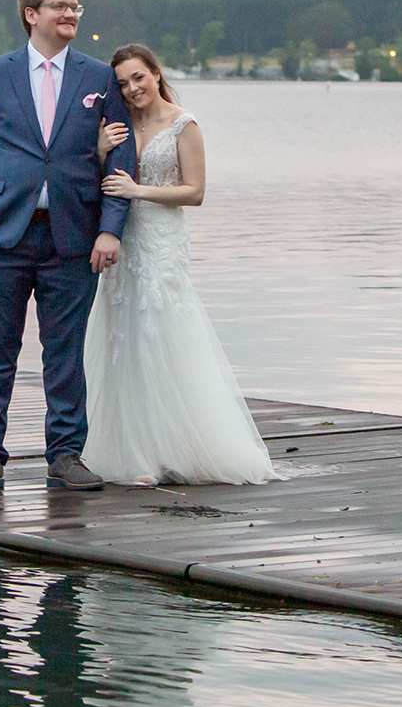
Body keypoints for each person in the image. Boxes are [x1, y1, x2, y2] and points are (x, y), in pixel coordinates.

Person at [0, 0, 139, 493]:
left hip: (73, 239)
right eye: (60, 6)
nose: (71, 14)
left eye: (76, 7)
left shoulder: (99, 79)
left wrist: (111, 230)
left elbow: (121, 158)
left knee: (65, 351)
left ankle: (65, 454)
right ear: (32, 14)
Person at [82, 44, 277, 485]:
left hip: (160, 240)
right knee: (121, 336)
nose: (132, 89)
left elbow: (195, 192)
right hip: (124, 240)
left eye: (139, 78)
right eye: (123, 84)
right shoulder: (121, 126)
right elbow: (102, 180)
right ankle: (133, 450)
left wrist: (140, 192)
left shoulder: (183, 124)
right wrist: (98, 151)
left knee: (159, 334)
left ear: (155, 73)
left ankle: (174, 447)